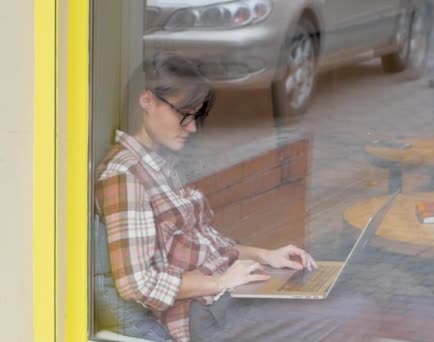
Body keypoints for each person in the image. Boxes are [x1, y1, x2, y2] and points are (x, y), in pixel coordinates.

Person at [95, 52, 327, 342]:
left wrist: (267, 255)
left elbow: (207, 245)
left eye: (197, 116)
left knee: (330, 298)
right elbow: (137, 284)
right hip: (205, 314)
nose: (192, 128)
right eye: (185, 115)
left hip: (228, 295)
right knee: (347, 314)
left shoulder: (161, 167)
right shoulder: (125, 177)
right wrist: (219, 282)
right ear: (147, 101)